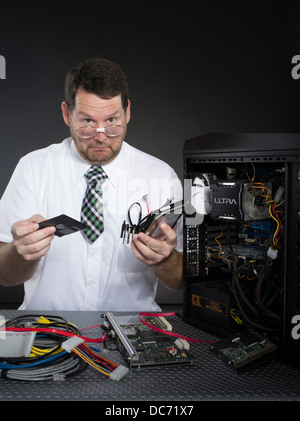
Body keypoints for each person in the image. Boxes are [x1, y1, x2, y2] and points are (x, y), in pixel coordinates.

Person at [0, 57, 183, 311]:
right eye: (87, 121)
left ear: (127, 111)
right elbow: (4, 275)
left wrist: (164, 259)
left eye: (111, 121)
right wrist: (21, 252)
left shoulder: (161, 176)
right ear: (67, 113)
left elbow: (181, 281)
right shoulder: (33, 169)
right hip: (48, 333)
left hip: (133, 337)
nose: (101, 135)